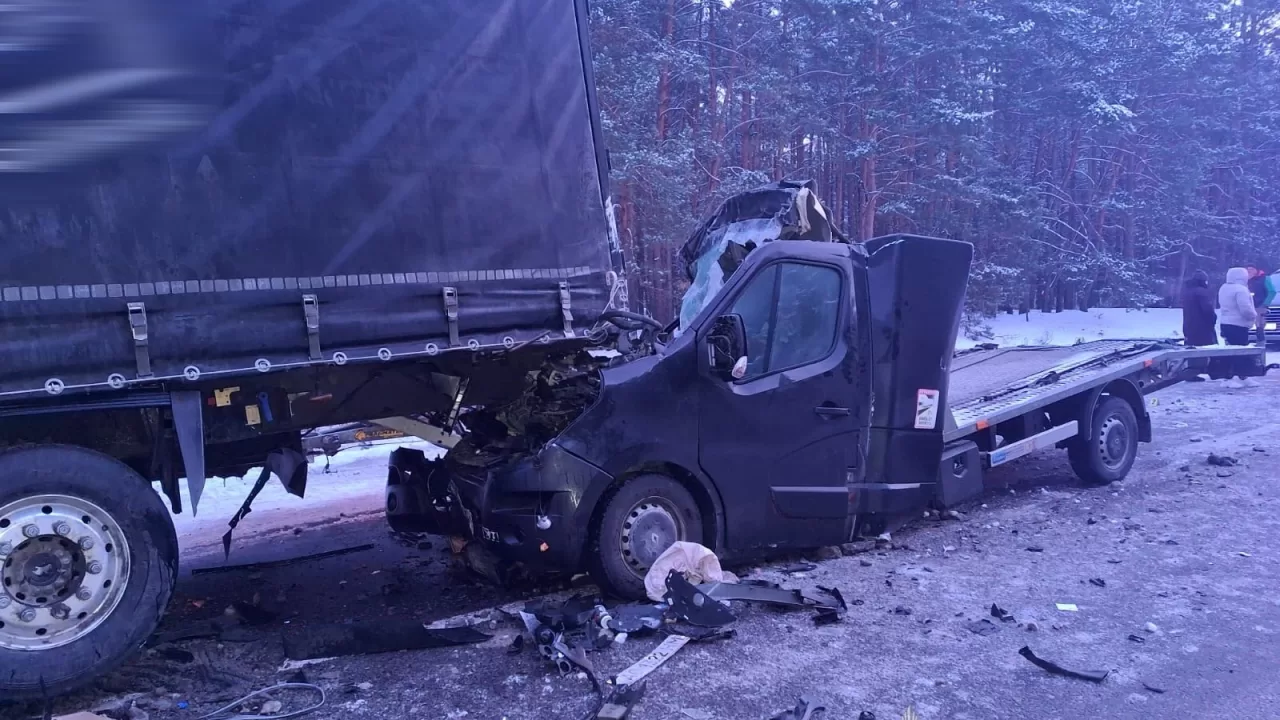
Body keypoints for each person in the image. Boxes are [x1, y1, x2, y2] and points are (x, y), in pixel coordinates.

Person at [1218, 267, 1258, 388]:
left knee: (1230, 350)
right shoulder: (1241, 290)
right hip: (1238, 325)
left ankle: (1241, 376)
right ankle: (1229, 378)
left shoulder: (1223, 288)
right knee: (1239, 352)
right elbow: (1245, 308)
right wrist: (1253, 316)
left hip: (1225, 323)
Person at [1181, 269, 1217, 347]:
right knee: (1206, 353)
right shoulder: (1202, 292)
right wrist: (1213, 319)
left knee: (1192, 353)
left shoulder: (1187, 291)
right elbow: (1208, 310)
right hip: (1202, 329)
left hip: (1189, 328)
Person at [1247, 266, 1269, 345]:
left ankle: (1261, 342)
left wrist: (1265, 303)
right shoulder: (1246, 279)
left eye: (1251, 269)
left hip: (1260, 305)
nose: (1249, 271)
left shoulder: (1265, 278)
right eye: (1248, 270)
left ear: (1256, 270)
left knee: (1259, 325)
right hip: (1248, 305)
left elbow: (1272, 292)